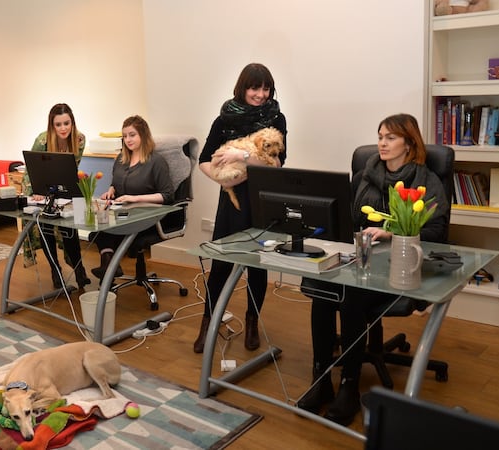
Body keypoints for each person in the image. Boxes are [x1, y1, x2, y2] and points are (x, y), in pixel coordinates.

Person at [296, 113, 451, 426]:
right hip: (359, 260)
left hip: (400, 266)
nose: (382, 143)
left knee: (350, 296)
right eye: (380, 136)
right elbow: (343, 217)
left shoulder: (426, 179)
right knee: (324, 288)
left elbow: (437, 232)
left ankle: (349, 386)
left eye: (391, 137)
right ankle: (322, 379)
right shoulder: (365, 175)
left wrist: (393, 234)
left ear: (409, 143)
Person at [194, 63, 287, 353]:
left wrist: (242, 154)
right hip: (232, 198)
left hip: (262, 199)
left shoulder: (276, 118)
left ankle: (251, 322)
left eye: (265, 88)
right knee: (220, 264)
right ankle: (208, 322)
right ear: (242, 88)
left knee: (256, 267)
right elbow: (204, 160)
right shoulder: (224, 119)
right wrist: (225, 179)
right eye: (254, 87)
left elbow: (278, 162)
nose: (260, 94)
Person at [90, 115, 174, 279]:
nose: (128, 139)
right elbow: (115, 183)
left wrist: (135, 198)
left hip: (147, 215)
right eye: (125, 136)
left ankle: (108, 268)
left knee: (108, 230)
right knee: (99, 227)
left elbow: (167, 195)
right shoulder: (121, 159)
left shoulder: (156, 161)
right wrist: (111, 191)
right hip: (123, 213)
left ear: (143, 134)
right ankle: (109, 266)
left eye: (132, 135)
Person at [27, 103, 90, 290]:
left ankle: (79, 270)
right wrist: (35, 191)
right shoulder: (42, 140)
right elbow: (31, 167)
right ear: (52, 126)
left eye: (66, 123)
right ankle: (55, 270)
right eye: (58, 124)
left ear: (72, 122)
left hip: (68, 186)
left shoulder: (79, 139)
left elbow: (73, 168)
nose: (63, 128)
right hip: (44, 189)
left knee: (71, 228)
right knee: (46, 225)